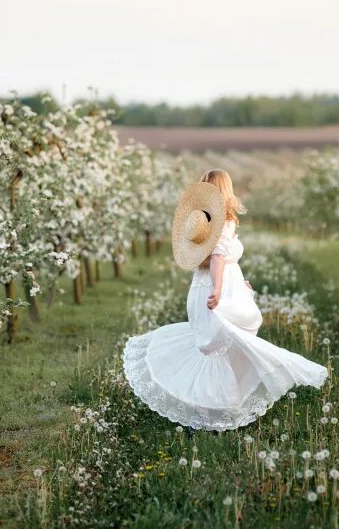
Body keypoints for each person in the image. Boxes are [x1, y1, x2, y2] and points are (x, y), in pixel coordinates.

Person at [122, 169, 328, 430]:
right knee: (222, 345)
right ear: (226, 189)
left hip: (201, 287)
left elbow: (216, 259)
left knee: (215, 344)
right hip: (214, 287)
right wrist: (218, 289)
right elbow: (218, 258)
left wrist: (237, 281)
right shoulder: (222, 222)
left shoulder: (201, 223)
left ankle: (213, 406)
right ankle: (216, 409)